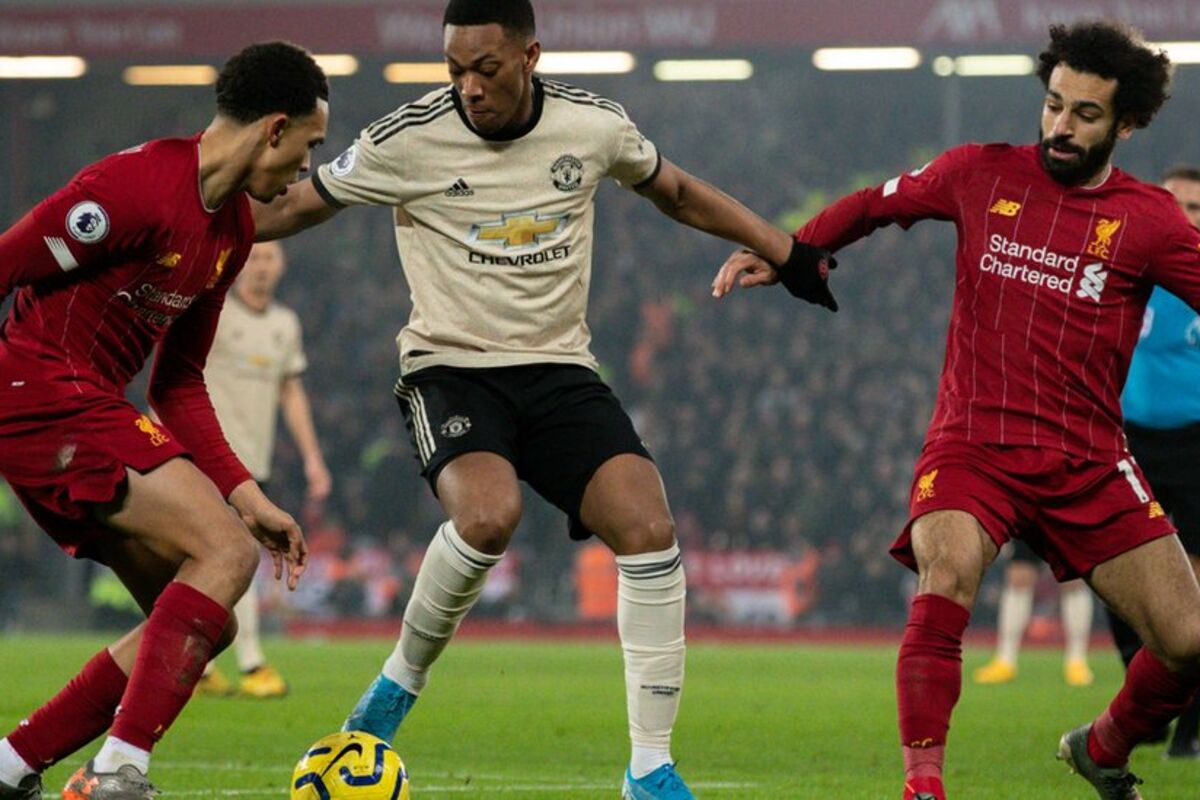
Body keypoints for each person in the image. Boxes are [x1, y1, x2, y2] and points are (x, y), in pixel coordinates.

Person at [251, 1, 827, 796]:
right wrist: (175, 222)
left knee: (650, 530)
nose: (468, 87)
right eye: (455, 70)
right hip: (450, 367)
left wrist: (785, 250)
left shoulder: (592, 126)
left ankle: (649, 769)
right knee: (488, 517)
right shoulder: (407, 138)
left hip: (558, 370)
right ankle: (395, 687)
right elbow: (292, 205)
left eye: (485, 69)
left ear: (529, 57)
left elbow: (676, 191)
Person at [713, 20, 1200, 800]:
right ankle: (923, 787)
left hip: (1088, 461)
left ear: (1127, 124)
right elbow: (875, 204)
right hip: (975, 445)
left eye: (1085, 114)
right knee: (947, 574)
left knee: (1189, 641)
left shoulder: (1149, 220)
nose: (1061, 126)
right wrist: (792, 251)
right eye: (1054, 104)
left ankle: (1101, 748)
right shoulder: (981, 173)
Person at [0, 42, 325, 800]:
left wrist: (247, 495)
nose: (304, 170)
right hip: (39, 388)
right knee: (225, 554)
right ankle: (120, 770)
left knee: (207, 621)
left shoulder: (231, 233)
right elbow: (7, 262)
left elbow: (177, 385)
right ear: (274, 129)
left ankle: (12, 765)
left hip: (87, 405)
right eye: (309, 147)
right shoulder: (135, 187)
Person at [194, 240, 332, 699]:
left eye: (269, 257)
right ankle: (251, 663)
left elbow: (291, 392)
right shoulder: (214, 313)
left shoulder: (284, 324)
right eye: (254, 257)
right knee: (238, 555)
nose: (261, 266)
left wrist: (313, 458)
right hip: (206, 457)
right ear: (238, 264)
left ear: (282, 265)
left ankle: (200, 665)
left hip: (254, 463)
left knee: (216, 559)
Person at [1106, 165, 1200, 759]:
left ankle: (1189, 727)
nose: (1183, 216)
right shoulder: (1128, 268)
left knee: (1192, 588)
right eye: (1174, 203)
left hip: (1196, 444)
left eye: (1196, 207)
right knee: (1115, 576)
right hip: (1126, 440)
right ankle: (1147, 694)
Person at [973, 540, 1095, 687]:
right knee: (1019, 575)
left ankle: (1077, 661)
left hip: (1068, 525)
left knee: (1073, 577)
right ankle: (1005, 661)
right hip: (1029, 525)